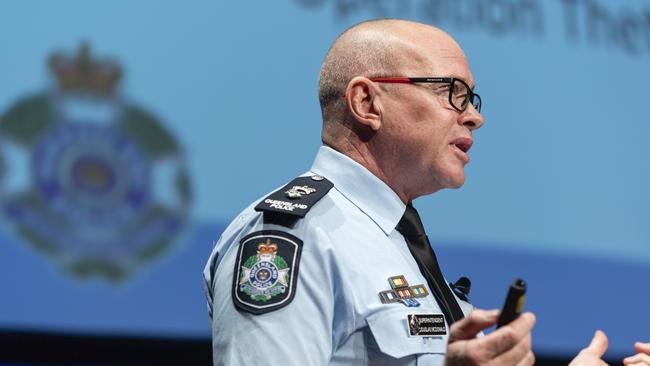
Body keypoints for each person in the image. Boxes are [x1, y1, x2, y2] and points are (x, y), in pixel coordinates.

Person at [203, 19, 608, 365]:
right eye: (452, 91)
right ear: (366, 103)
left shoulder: (393, 238)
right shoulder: (295, 237)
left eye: (472, 98)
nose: (474, 116)